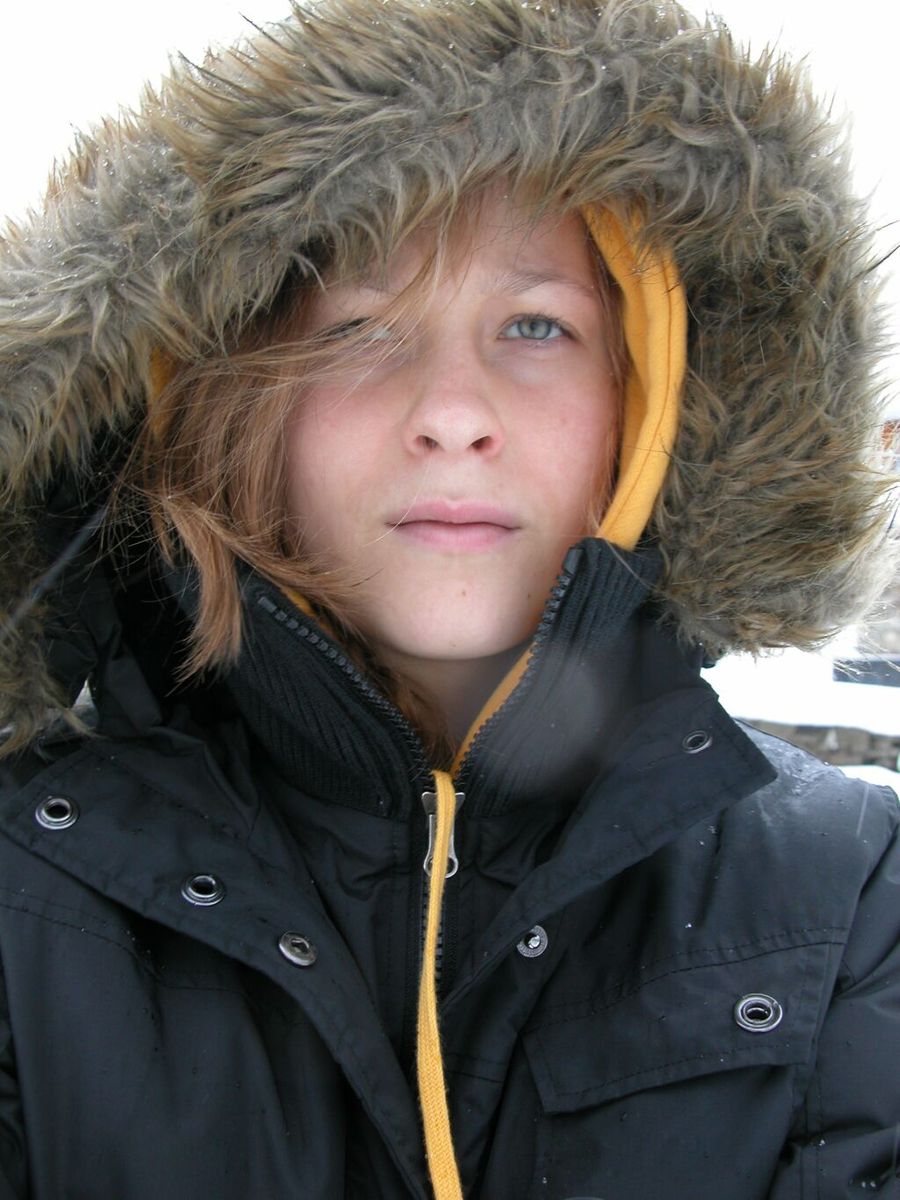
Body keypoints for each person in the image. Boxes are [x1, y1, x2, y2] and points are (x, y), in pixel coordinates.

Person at [0, 0, 898, 1196]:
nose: (455, 412)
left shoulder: (840, 894)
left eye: (535, 324)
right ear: (231, 409)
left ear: (647, 409)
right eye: (364, 330)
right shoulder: (30, 901)